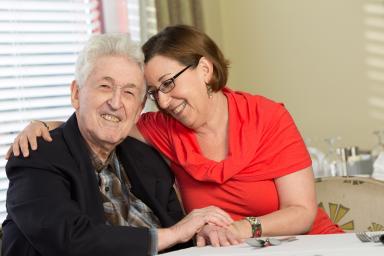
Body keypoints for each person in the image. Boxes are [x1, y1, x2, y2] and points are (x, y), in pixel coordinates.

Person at [7, 25, 343, 247]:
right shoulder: (162, 128)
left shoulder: (265, 117)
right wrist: (44, 124)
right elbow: (105, 120)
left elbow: (302, 211)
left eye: (167, 84)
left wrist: (237, 229)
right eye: (154, 92)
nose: (164, 101)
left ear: (205, 70)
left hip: (305, 245)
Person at [1, 33, 235, 256]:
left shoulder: (147, 159)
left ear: (138, 111)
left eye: (129, 92)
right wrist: (173, 234)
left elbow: (180, 237)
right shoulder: (36, 157)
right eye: (105, 86)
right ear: (76, 94)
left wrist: (199, 232)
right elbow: (70, 240)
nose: (115, 102)